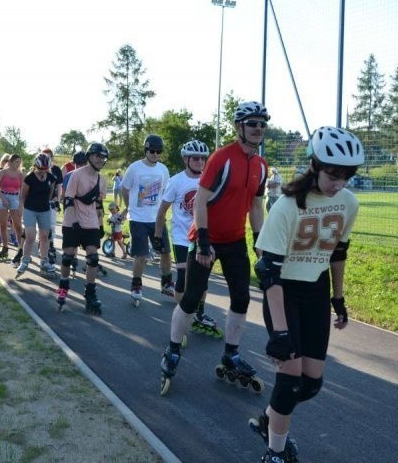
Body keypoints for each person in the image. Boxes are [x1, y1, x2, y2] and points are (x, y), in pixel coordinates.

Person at [249, 127, 365, 463]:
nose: (339, 184)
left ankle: (269, 420)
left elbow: (338, 252)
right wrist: (281, 333)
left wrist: (338, 298)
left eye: (347, 176)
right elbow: (267, 272)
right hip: (283, 291)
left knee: (310, 384)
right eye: (333, 175)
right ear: (315, 165)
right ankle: (274, 452)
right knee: (289, 379)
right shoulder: (286, 206)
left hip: (316, 289)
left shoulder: (348, 203)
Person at [159, 101, 269, 396]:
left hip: (234, 240)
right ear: (239, 127)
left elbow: (257, 206)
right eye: (252, 123)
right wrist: (204, 241)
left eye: (262, 123)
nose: (258, 128)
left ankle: (230, 354)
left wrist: (261, 247)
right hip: (206, 238)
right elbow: (201, 201)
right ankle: (171, 350)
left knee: (242, 298)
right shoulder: (222, 158)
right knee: (192, 296)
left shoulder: (261, 165)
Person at [155, 140, 221, 338]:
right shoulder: (176, 181)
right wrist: (158, 236)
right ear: (186, 159)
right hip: (182, 237)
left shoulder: (212, 179)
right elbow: (162, 211)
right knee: (184, 279)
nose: (200, 162)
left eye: (203, 158)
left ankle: (199, 314)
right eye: (195, 158)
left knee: (202, 281)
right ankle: (182, 317)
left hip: (203, 237)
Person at [56, 143, 109, 314]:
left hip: (91, 222)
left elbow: (99, 205)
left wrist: (101, 226)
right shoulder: (76, 175)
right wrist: (74, 221)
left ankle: (90, 293)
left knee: (93, 258)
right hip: (73, 222)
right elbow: (68, 200)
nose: (100, 160)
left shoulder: (102, 180)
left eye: (103, 157)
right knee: (67, 257)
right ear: (89, 156)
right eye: (97, 156)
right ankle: (63, 285)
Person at [120, 134, 173, 304]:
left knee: (165, 252)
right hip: (138, 219)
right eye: (152, 151)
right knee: (141, 255)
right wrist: (130, 208)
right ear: (146, 150)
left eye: (159, 151)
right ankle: (136, 285)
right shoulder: (134, 168)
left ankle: (166, 283)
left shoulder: (163, 170)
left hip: (157, 218)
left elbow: (166, 192)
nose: (155, 154)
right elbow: (125, 189)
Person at [15, 153, 58, 278]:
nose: (42, 172)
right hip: (30, 209)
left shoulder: (51, 178)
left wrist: (52, 202)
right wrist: (21, 207)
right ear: (35, 167)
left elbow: (50, 194)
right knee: (30, 236)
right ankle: (25, 260)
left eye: (45, 169)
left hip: (44, 210)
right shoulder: (29, 178)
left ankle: (44, 260)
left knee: (45, 236)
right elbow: (23, 194)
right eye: (40, 169)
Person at [0, 154, 23, 262]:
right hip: (3, 196)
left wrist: (21, 205)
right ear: (10, 162)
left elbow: (22, 192)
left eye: (19, 162)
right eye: (16, 162)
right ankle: (5, 247)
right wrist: (3, 198)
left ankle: (20, 249)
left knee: (18, 225)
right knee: (3, 224)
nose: (18, 164)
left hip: (15, 198)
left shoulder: (20, 175)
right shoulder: (3, 172)